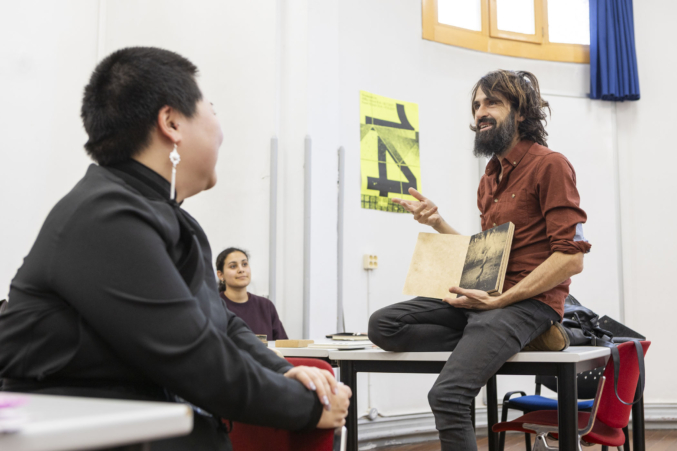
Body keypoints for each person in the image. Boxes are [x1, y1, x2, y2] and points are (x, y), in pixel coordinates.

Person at [0, 47, 350, 451]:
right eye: (211, 110)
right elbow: (193, 355)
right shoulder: (106, 215)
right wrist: (308, 406)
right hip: (94, 435)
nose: (220, 131)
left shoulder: (163, 215)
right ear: (171, 123)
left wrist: (284, 371)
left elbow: (220, 322)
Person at [368, 70, 591, 451]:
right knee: (384, 325)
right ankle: (500, 340)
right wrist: (437, 221)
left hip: (528, 304)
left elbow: (571, 259)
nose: (480, 113)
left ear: (521, 113)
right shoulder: (489, 178)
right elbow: (484, 254)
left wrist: (501, 301)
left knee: (447, 396)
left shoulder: (551, 165)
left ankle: (514, 333)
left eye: (492, 103)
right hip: (485, 299)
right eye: (476, 105)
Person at [215, 247, 288, 341]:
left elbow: (282, 344)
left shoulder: (266, 305)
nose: (241, 270)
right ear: (220, 275)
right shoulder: (213, 306)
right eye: (233, 266)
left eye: (244, 264)